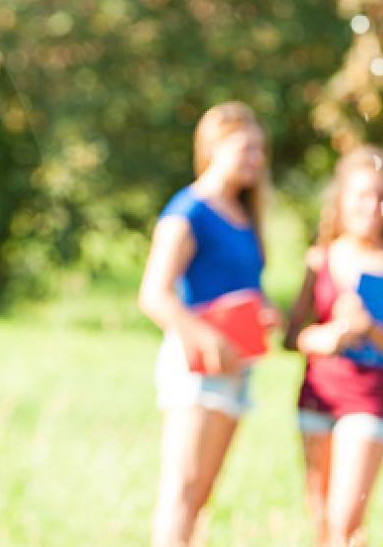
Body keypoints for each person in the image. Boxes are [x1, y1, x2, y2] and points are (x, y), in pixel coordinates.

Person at [138, 101, 276, 547]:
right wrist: (204, 336)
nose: (257, 159)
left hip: (237, 366)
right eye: (246, 149)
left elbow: (240, 285)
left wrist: (264, 311)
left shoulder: (244, 213)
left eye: (260, 150)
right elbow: (154, 294)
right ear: (214, 147)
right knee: (180, 492)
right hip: (196, 368)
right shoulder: (188, 211)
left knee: (201, 496)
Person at [284, 146, 383, 547]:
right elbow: (293, 337)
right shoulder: (320, 259)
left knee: (345, 524)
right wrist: (330, 337)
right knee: (322, 522)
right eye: (362, 195)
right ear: (341, 199)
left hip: (369, 401)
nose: (372, 207)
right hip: (318, 398)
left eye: (382, 198)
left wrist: (371, 329)